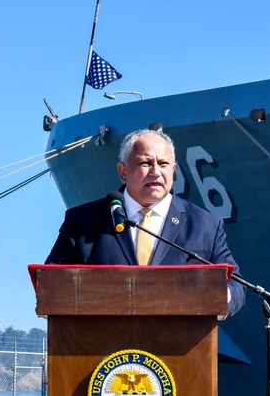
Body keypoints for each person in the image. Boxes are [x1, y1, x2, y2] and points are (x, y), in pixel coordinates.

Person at [45, 128, 246, 316]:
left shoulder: (205, 226)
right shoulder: (83, 221)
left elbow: (236, 287)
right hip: (102, 348)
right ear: (123, 172)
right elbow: (50, 285)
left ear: (173, 170)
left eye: (163, 164)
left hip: (179, 348)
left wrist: (219, 297)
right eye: (145, 163)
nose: (156, 172)